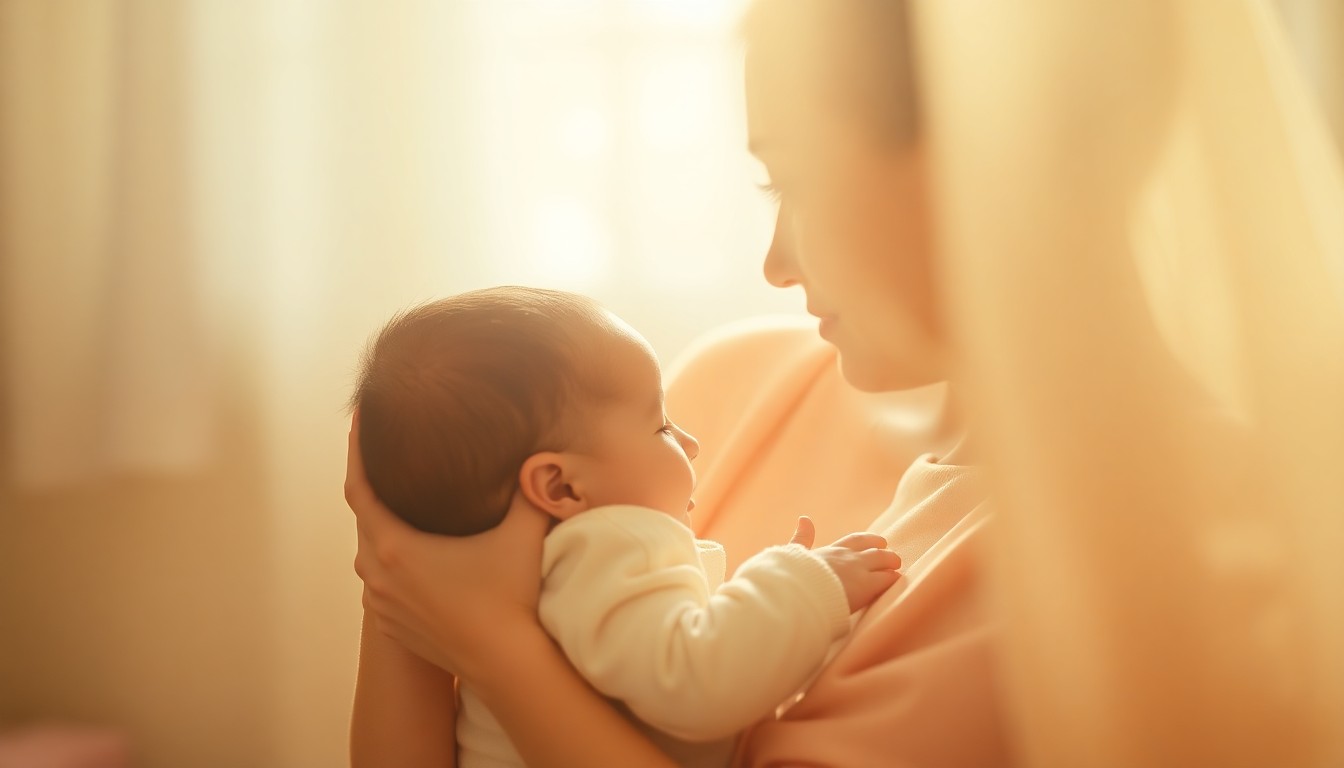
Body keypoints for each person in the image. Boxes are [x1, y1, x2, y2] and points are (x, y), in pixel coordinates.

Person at [351, 0, 1344, 765]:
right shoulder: (726, 393)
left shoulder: (1155, 558)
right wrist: (406, 536)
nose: (778, 264)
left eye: (799, 177)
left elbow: (474, 632)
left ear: (984, 154)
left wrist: (492, 644)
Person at [351, 287, 900, 768]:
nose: (691, 444)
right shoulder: (607, 544)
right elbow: (695, 682)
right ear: (561, 488)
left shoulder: (511, 574)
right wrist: (800, 580)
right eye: (661, 426)